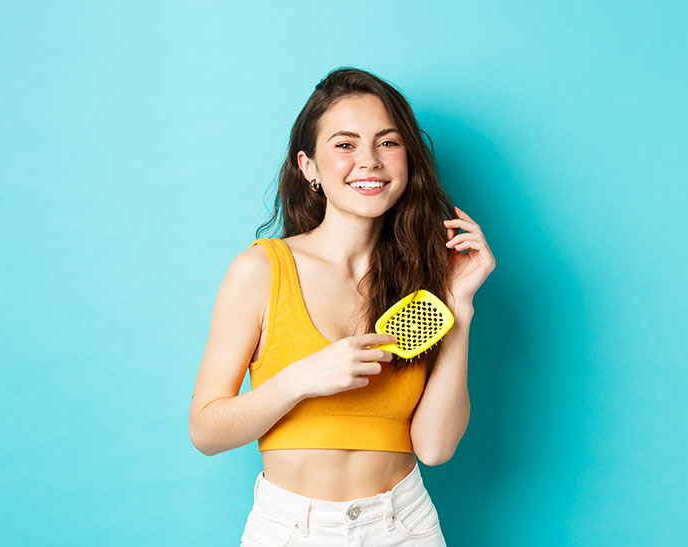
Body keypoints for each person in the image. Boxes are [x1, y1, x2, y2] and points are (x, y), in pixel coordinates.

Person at [189, 67, 495, 546]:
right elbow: (206, 431)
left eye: (388, 143)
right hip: (290, 529)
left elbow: (434, 449)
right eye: (345, 145)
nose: (369, 161)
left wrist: (459, 307)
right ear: (308, 166)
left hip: (405, 526)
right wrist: (302, 379)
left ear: (408, 160)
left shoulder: (426, 284)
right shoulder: (262, 271)